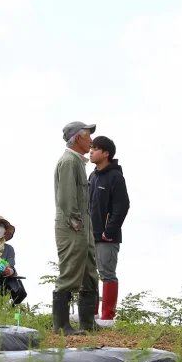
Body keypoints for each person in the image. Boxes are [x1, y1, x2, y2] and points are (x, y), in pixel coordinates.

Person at [53, 120, 100, 334]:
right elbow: (66, 198)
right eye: (88, 135)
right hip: (73, 226)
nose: (91, 140)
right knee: (71, 271)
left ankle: (87, 323)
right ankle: (61, 326)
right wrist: (76, 223)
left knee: (89, 272)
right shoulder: (69, 162)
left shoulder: (78, 163)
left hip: (83, 226)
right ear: (79, 137)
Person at [88, 135, 130, 327]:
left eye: (95, 149)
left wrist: (109, 230)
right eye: (90, 149)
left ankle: (108, 317)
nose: (91, 152)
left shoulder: (116, 177)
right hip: (89, 234)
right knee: (89, 274)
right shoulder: (92, 176)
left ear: (106, 153)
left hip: (107, 236)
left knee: (107, 273)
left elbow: (123, 206)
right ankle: (92, 314)